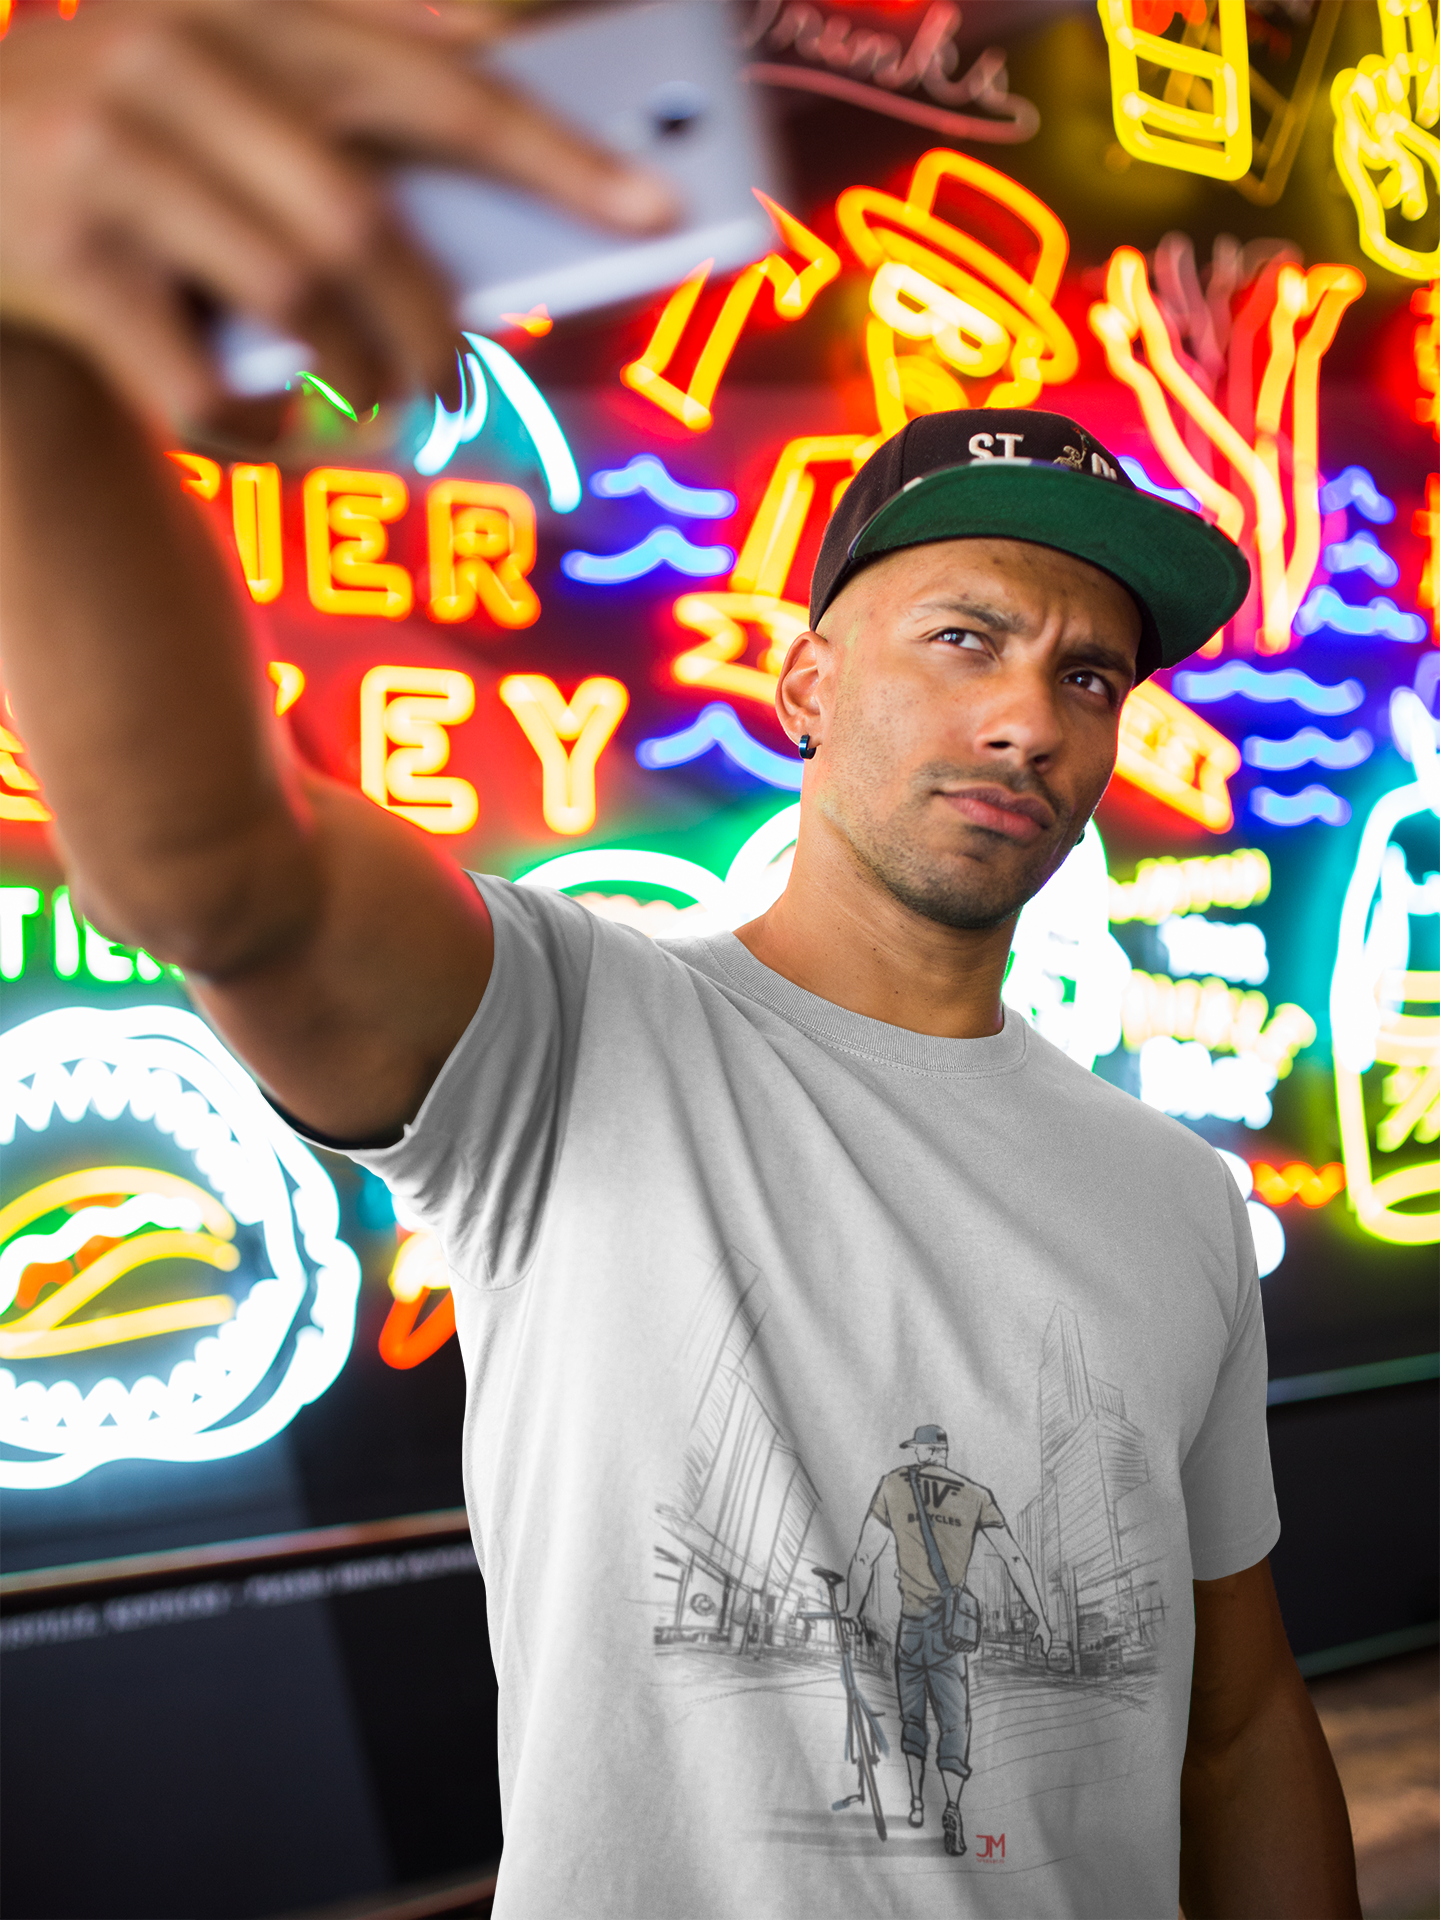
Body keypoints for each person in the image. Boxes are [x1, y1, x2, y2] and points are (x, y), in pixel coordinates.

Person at [0, 6, 1361, 1915]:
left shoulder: (1171, 1201)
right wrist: (34, 366)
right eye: (963, 637)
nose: (1031, 720)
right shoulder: (571, 1034)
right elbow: (223, 869)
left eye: (1089, 674)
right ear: (806, 681)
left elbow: (1233, 1724)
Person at [844, 1422, 1051, 1853]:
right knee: (955, 1721)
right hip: (950, 1631)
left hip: (911, 1627)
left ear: (925, 1451)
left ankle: (918, 1802)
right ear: (946, 1453)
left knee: (913, 1718)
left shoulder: (894, 1485)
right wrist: (1040, 1616)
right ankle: (952, 1806)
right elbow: (1013, 1556)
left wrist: (850, 1609)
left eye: (918, 1448)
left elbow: (865, 1554)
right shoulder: (976, 1495)